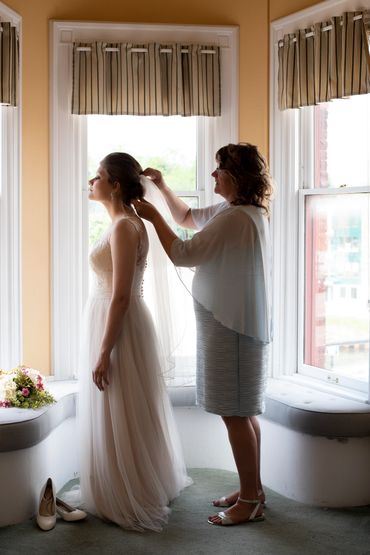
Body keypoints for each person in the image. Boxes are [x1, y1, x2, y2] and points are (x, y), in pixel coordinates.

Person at [134, 142, 273, 527]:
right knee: (241, 411)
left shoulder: (237, 218)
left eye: (219, 169)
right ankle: (254, 490)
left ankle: (249, 500)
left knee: (234, 413)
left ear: (236, 175)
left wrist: (149, 217)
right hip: (228, 324)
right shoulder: (236, 211)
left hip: (233, 327)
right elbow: (189, 218)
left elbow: (182, 251)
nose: (213, 175)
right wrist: (162, 189)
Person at [78, 152, 190, 532]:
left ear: (114, 185)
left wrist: (105, 351)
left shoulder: (126, 227)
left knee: (120, 401)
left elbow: (121, 295)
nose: (91, 182)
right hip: (110, 319)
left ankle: (130, 491)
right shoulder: (117, 224)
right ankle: (120, 481)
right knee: (117, 405)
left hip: (120, 326)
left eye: (97, 176)